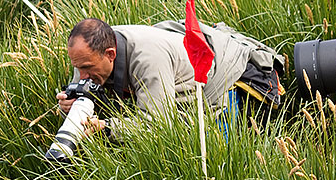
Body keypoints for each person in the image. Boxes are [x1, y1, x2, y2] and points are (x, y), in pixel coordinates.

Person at [55, 17, 283, 144]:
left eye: (86, 69)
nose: (81, 76)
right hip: (166, 70)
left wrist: (106, 128)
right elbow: (90, 94)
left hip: (212, 76)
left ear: (110, 54)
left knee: (217, 149)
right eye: (77, 68)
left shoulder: (148, 59)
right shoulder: (89, 55)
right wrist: (73, 107)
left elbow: (157, 125)